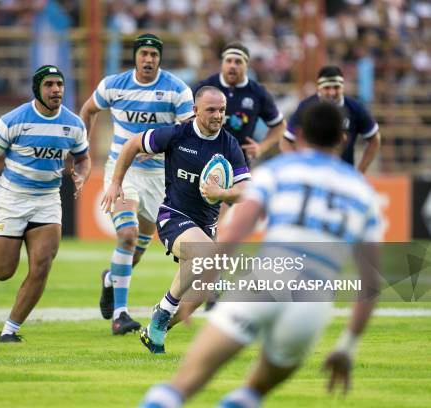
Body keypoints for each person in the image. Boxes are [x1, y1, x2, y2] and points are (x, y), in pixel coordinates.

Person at [140, 101, 382, 407]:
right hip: (311, 301)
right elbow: (371, 278)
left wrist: (206, 281)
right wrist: (348, 345)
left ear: (301, 136)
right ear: (344, 140)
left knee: (183, 384)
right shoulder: (362, 192)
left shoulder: (280, 170)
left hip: (262, 284)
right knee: (254, 390)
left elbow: (236, 231)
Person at [102, 86, 251, 353]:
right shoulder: (177, 134)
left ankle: (156, 330)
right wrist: (115, 183)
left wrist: (222, 193)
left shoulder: (229, 144)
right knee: (205, 254)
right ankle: (163, 309)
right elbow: (132, 144)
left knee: (202, 291)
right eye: (211, 110)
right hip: (174, 216)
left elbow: (246, 193)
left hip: (207, 225)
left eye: (222, 111)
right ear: (195, 111)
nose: (218, 116)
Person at [0, 65, 90, 343]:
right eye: (49, 85)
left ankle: (10, 329)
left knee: (42, 264)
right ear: (37, 89)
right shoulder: (13, 120)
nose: (56, 90)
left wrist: (83, 173)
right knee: (2, 272)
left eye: (60, 84)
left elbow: (83, 157)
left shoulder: (74, 124)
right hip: (12, 197)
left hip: (47, 200)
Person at [80, 33, 194, 335]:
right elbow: (89, 110)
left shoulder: (177, 90)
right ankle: (120, 315)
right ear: (135, 56)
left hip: (159, 177)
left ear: (160, 58)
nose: (148, 59)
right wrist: (83, 153)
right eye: (144, 53)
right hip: (121, 171)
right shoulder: (113, 85)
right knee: (127, 236)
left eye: (154, 55)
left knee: (139, 249)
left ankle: (110, 280)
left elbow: (187, 135)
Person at [193, 42, 286, 163]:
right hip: (202, 161)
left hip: (239, 165)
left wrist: (261, 147)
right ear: (222, 64)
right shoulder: (204, 87)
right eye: (229, 61)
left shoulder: (258, 93)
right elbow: (184, 117)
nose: (232, 66)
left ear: (246, 65)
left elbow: (279, 125)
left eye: (238, 62)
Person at [280, 65, 381, 173]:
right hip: (313, 175)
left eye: (336, 87)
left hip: (342, 175)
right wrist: (299, 167)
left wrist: (360, 171)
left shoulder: (355, 108)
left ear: (343, 87)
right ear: (319, 88)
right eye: (327, 88)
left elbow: (374, 139)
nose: (332, 93)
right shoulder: (306, 107)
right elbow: (285, 141)